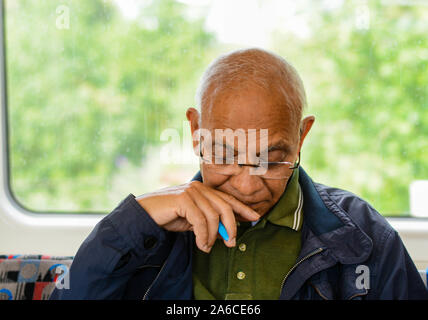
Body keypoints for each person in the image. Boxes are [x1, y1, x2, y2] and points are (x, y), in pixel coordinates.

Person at [50, 48, 428, 300]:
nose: (246, 185)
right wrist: (137, 217)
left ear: (302, 136)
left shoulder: (364, 236)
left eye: (271, 159)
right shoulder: (148, 233)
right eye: (224, 154)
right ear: (196, 131)